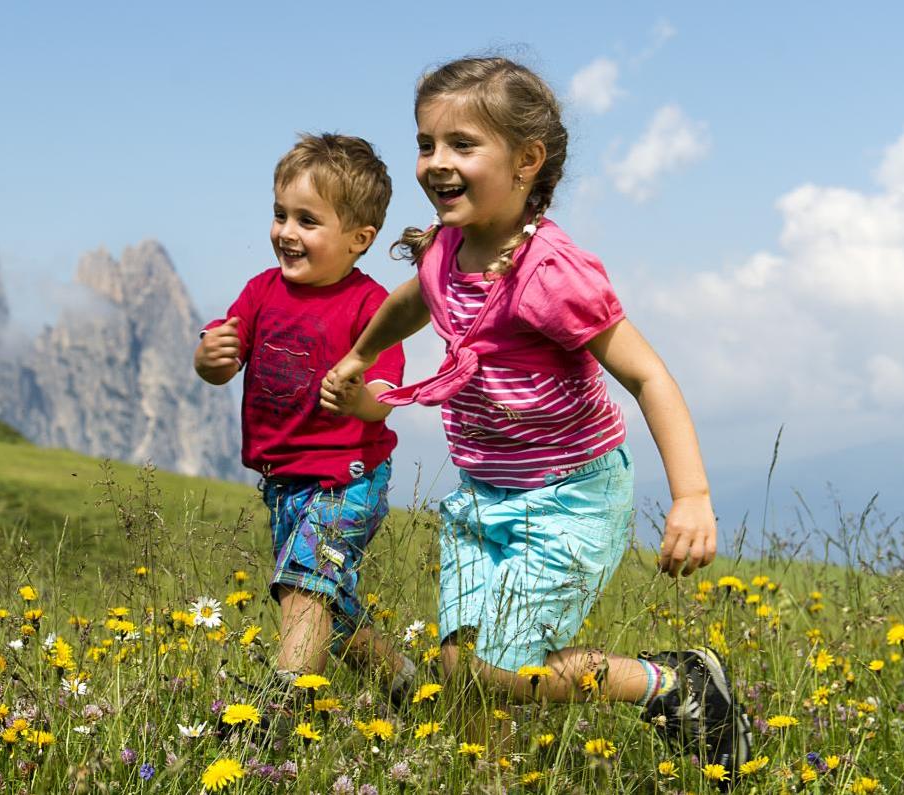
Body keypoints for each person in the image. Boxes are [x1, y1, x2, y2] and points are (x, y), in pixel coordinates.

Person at [321, 56, 750, 783]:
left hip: (569, 495)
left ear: (527, 161)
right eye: (427, 143)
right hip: (486, 492)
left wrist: (693, 496)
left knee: (495, 667)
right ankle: (489, 776)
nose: (436, 162)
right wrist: (361, 353)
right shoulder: (448, 247)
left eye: (462, 144)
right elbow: (412, 298)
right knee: (460, 669)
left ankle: (673, 684)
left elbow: (647, 375)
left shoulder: (552, 275)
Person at [194, 133, 416, 706]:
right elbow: (223, 358)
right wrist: (209, 359)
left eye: (308, 221)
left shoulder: (371, 306)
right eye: (280, 215)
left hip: (346, 479)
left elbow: (387, 394)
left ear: (358, 239)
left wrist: (357, 398)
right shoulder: (261, 291)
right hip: (284, 482)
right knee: (329, 608)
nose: (287, 232)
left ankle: (277, 710)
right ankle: (406, 684)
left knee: (303, 588)